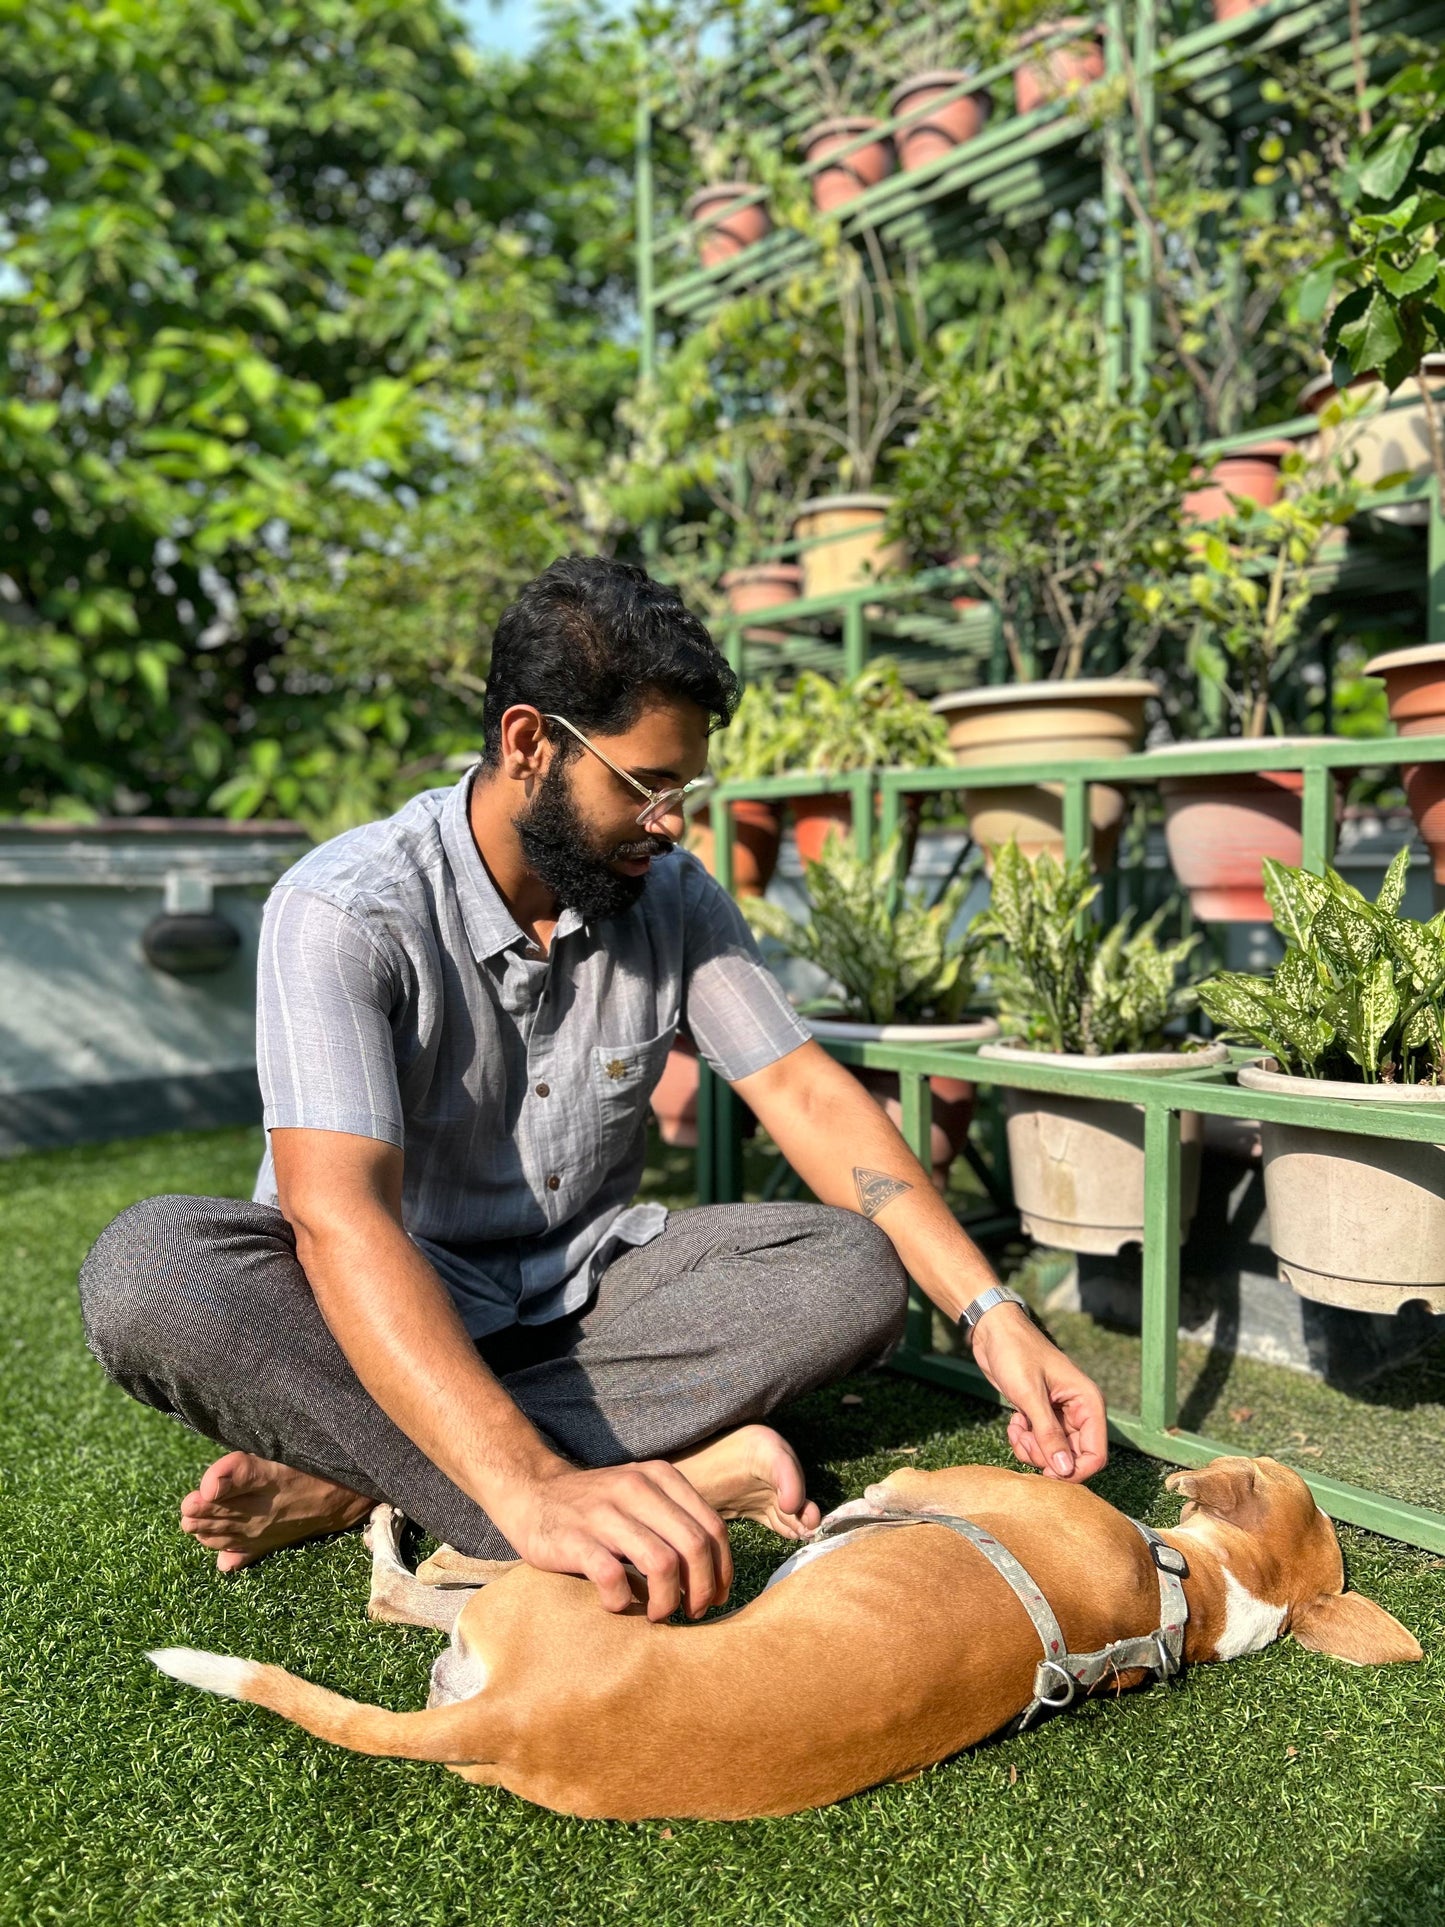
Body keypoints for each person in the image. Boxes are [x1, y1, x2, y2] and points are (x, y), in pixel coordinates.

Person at [79, 557, 1107, 1625]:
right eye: (645, 784)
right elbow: (338, 1221)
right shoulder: (344, 911)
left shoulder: (670, 897)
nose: (669, 822)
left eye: (684, 791)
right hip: (372, 1313)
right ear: (529, 744)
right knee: (148, 1270)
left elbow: (801, 1091)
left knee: (848, 1272)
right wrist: (530, 1487)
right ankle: (538, 1477)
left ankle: (370, 1467)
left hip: (582, 1312)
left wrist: (992, 1317)